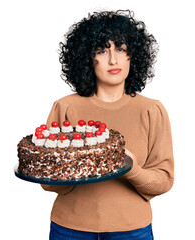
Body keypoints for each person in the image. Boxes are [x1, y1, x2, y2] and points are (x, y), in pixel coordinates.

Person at [41, 9, 174, 240]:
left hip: (132, 231)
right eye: (102, 51)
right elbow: (47, 178)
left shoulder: (152, 110)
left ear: (134, 55)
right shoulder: (65, 107)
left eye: (121, 49)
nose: (113, 59)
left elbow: (163, 180)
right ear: (86, 58)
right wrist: (72, 168)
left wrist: (131, 169)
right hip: (70, 229)